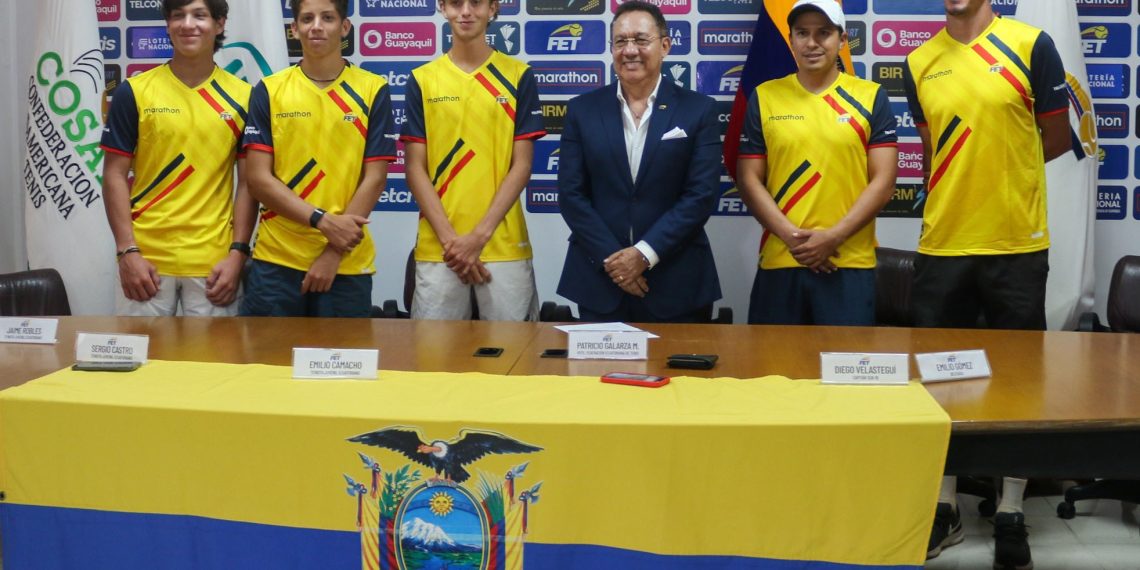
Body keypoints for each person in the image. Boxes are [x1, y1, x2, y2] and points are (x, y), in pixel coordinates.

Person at [903, 0, 1070, 568]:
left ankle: (1011, 510)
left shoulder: (1030, 45)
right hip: (943, 243)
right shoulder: (919, 60)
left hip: (1015, 243)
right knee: (940, 383)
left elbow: (1055, 139)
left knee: (1019, 382)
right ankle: (945, 506)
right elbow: (933, 150)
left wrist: (1004, 177)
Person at [556, 0, 721, 323]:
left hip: (678, 284)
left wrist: (643, 255)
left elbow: (700, 196)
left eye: (641, 40)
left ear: (665, 46)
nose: (630, 50)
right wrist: (616, 263)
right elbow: (571, 195)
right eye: (621, 41)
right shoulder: (582, 110)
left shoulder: (699, 110)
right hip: (600, 281)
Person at [736, 0, 897, 326]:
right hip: (782, 260)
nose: (812, 43)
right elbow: (749, 180)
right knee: (771, 360)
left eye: (823, 33)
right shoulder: (765, 96)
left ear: (842, 39)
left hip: (847, 262)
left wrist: (833, 237)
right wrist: (794, 239)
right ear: (791, 39)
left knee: (845, 361)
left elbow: (884, 182)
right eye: (802, 33)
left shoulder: (871, 96)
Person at [240, 0, 397, 317]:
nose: (316, 26)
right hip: (277, 260)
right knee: (265, 352)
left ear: (344, 27)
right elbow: (257, 179)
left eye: (327, 18)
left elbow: (375, 178)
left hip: (345, 261)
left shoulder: (372, 89)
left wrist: (333, 251)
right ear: (294, 28)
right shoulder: (269, 90)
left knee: (342, 352)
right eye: (307, 18)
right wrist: (322, 220)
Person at [101, 0, 255, 316]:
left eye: (199, 15)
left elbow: (248, 184)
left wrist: (238, 254)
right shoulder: (134, 91)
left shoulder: (244, 97)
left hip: (214, 264)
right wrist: (127, 252)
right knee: (142, 351)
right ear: (168, 25)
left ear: (220, 24)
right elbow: (114, 175)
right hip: (146, 262)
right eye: (177, 16)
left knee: (216, 352)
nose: (187, 24)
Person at [401, 0, 546, 321]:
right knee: (432, 353)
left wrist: (478, 238)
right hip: (441, 249)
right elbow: (414, 168)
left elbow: (522, 166)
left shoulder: (518, 75)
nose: (466, 11)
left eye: (476, 2)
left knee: (513, 351)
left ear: (492, 8)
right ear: (442, 8)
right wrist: (454, 244)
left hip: (504, 246)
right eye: (456, 3)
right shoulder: (422, 79)